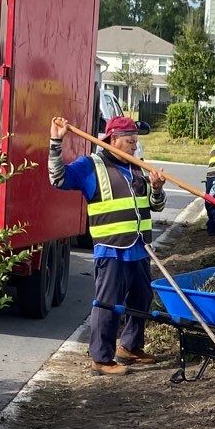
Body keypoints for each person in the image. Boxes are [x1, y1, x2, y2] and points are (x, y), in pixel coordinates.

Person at [48, 114, 167, 375]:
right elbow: (57, 179)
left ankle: (130, 347)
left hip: (139, 246)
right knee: (107, 303)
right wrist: (56, 142)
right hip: (111, 248)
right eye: (130, 141)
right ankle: (101, 358)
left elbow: (155, 206)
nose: (135, 146)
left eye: (136, 141)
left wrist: (156, 188)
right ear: (113, 139)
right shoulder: (91, 166)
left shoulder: (138, 167)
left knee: (142, 298)